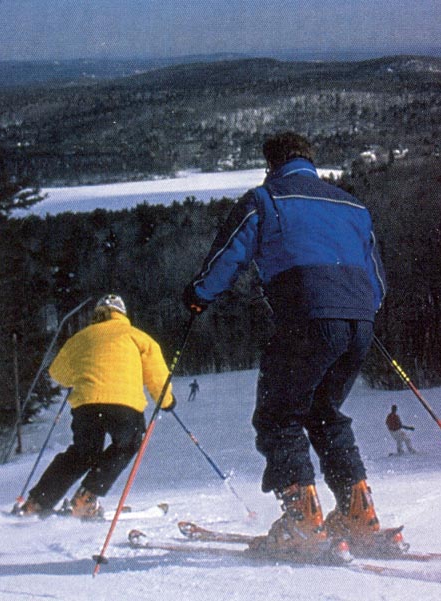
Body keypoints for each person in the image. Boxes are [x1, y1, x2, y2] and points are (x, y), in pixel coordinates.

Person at [183, 132, 389, 556]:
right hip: (358, 323)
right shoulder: (352, 205)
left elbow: (229, 256)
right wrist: (353, 307)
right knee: (324, 412)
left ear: (271, 164)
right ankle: (358, 512)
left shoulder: (265, 199)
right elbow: (378, 282)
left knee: (279, 415)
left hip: (307, 320)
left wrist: (199, 295)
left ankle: (302, 521)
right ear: (311, 161)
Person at [16, 294, 175, 519]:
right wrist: (166, 400)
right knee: (127, 443)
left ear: (97, 314)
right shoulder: (137, 337)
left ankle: (37, 502)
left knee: (83, 453)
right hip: (123, 404)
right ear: (122, 314)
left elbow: (57, 373)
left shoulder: (80, 338)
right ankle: (85, 498)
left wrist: (81, 375)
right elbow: (157, 375)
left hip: (86, 405)